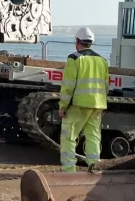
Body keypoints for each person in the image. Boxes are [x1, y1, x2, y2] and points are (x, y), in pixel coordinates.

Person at [58, 27, 108, 172]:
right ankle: (94, 167)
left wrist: (63, 106)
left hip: (78, 105)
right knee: (93, 137)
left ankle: (69, 171)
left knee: (69, 137)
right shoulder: (102, 60)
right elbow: (105, 85)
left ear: (77, 41)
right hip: (97, 105)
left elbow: (68, 85)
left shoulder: (74, 59)